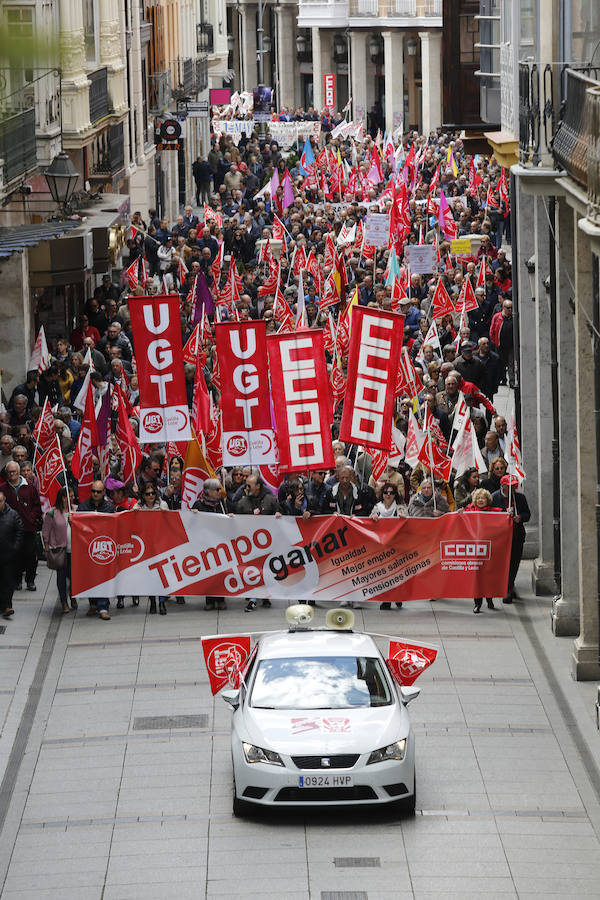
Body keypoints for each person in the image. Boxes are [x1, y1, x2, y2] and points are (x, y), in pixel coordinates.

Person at [235, 474, 280, 611]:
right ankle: (253, 598)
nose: (246, 488)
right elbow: (236, 524)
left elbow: (282, 516)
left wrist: (279, 515)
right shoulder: (242, 503)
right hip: (249, 545)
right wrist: (232, 519)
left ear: (258, 486)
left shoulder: (271, 501)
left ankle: (265, 595)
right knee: (252, 571)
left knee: (265, 570)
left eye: (249, 485)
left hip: (267, 545)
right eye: (245, 485)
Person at [76, 480, 115, 620]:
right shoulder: (83, 506)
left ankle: (103, 606)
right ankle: (93, 604)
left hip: (104, 548)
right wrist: (72, 520)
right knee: (90, 577)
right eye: (93, 491)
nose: (95, 494)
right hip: (87, 548)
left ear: (104, 492)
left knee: (103, 577)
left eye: (98, 491)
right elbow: (78, 525)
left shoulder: (110, 508)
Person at [1, 460, 42, 591]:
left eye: (14, 471)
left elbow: (37, 505)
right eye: (9, 472)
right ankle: (17, 581)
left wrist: (32, 518)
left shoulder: (29, 486)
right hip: (10, 529)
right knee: (15, 555)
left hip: (28, 527)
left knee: (30, 554)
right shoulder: (3, 488)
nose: (12, 474)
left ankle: (30, 581)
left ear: (19, 472)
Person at [492, 475, 530, 603]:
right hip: (501, 538)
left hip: (516, 536)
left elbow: (527, 514)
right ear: (502, 486)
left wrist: (520, 517)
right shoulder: (494, 497)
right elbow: (490, 515)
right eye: (509, 486)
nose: (511, 488)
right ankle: (506, 587)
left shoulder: (520, 498)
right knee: (503, 564)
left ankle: (509, 586)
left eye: (513, 486)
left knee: (514, 563)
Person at [192, 478, 229, 610]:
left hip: (220, 544)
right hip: (206, 545)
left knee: (221, 572)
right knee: (209, 573)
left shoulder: (222, 503)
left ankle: (221, 599)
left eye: (220, 489)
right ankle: (210, 600)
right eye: (217, 489)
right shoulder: (198, 505)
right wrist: (193, 515)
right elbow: (192, 524)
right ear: (208, 491)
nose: (220, 492)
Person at [464, 488, 502, 613]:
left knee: (488, 574)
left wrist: (509, 514)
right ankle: (477, 603)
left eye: (483, 498)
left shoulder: (494, 512)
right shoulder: (469, 510)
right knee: (477, 577)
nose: (480, 500)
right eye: (478, 498)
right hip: (475, 550)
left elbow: (503, 518)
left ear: (487, 500)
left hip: (489, 549)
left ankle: (489, 599)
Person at [133, 484, 169, 614]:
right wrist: (135, 511)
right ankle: (153, 601)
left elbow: (170, 521)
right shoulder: (138, 506)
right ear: (143, 495)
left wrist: (165, 514)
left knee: (161, 575)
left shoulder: (162, 505)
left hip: (160, 545)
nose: (151, 496)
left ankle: (162, 602)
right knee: (150, 576)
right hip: (145, 546)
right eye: (148, 494)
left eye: (153, 493)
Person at [370, 482, 407, 610]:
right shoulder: (377, 507)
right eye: (386, 492)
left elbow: (407, 519)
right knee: (384, 574)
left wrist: (403, 518)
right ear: (382, 494)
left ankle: (397, 596)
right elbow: (369, 521)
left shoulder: (400, 507)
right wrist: (373, 517)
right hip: (382, 546)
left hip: (396, 545)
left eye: (391, 493)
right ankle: (386, 599)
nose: (388, 495)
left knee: (396, 573)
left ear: (395, 494)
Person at [42, 486, 76, 614]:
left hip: (74, 550)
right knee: (61, 577)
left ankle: (73, 595)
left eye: (73, 496)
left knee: (74, 576)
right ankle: (63, 601)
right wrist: (46, 547)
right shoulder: (52, 512)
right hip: (59, 550)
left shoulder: (76, 510)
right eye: (70, 496)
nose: (72, 498)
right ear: (63, 497)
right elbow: (46, 531)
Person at [0, 489, 23, 620]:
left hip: (8, 555)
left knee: (8, 581)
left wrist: (15, 548)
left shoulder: (13, 515)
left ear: (4, 501)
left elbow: (20, 532)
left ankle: (7, 606)